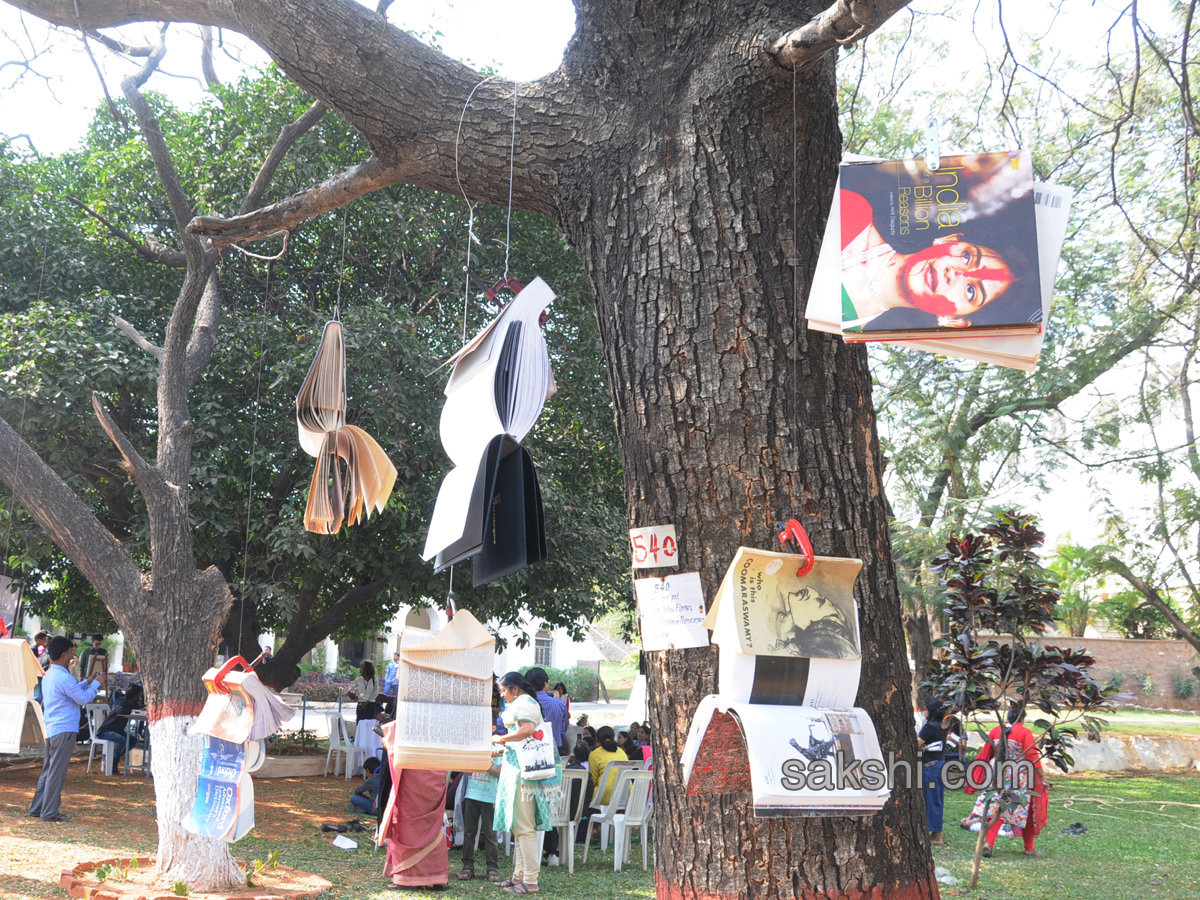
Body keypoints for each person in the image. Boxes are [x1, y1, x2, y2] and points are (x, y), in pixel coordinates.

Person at [839, 187, 1036, 334]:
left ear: (955, 320)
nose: (955, 273)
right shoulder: (851, 211)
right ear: (948, 239)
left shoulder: (847, 338)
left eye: (971, 290)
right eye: (967, 256)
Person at [493, 670, 560, 895]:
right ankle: (519, 876)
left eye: (504, 691)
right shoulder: (525, 701)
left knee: (523, 828)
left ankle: (530, 881)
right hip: (518, 770)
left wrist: (502, 738)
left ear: (515, 688)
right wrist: (504, 746)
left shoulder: (524, 702)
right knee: (520, 828)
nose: (502, 695)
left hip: (522, 773)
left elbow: (527, 730)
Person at [29, 636, 101, 821]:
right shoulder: (64, 677)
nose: (72, 655)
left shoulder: (51, 674)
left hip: (53, 728)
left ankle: (37, 808)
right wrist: (96, 684)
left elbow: (71, 691)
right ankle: (49, 812)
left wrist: (87, 682)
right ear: (63, 654)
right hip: (65, 729)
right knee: (56, 773)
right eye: (70, 652)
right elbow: (82, 699)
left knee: (48, 771)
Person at [966, 705, 1048, 859]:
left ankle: (989, 843)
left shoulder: (996, 730)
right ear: (1022, 718)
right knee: (1020, 808)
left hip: (995, 771)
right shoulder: (1024, 732)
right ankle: (1028, 848)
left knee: (995, 806)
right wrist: (1042, 776)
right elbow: (1032, 756)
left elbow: (987, 752)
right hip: (1017, 775)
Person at [379, 722, 449, 890]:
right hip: (437, 772)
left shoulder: (414, 714)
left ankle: (407, 877)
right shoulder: (444, 716)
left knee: (407, 823)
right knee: (432, 826)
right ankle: (437, 876)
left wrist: (387, 741)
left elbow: (394, 740)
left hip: (414, 770)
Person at [525, 667, 569, 867]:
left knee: (528, 805)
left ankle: (530, 850)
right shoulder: (558, 705)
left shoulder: (524, 705)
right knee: (549, 804)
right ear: (545, 684)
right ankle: (552, 851)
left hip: (528, 759)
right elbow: (562, 732)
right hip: (553, 759)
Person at [458, 763, 502, 882]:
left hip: (490, 797)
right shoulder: (476, 747)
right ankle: (467, 865)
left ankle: (492, 867)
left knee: (490, 834)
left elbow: (500, 774)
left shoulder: (499, 749)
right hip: (472, 794)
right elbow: (468, 771)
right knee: (469, 833)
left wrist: (486, 767)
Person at [95, 683, 146, 775]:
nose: (139, 698)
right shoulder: (121, 701)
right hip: (106, 731)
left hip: (117, 731)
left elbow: (139, 708)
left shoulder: (132, 704)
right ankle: (113, 763)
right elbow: (120, 711)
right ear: (134, 696)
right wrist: (132, 710)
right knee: (123, 740)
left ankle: (112, 758)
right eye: (138, 696)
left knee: (133, 741)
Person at [917, 696, 948, 846]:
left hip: (931, 767)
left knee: (931, 800)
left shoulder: (929, 727)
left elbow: (916, 743)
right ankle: (936, 833)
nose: (924, 713)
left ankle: (937, 836)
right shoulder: (941, 726)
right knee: (936, 800)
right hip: (940, 765)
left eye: (926, 710)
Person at [588, 725, 628, 806]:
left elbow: (593, 781)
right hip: (624, 795)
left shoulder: (595, 754)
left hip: (602, 798)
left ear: (597, 739)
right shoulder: (622, 752)